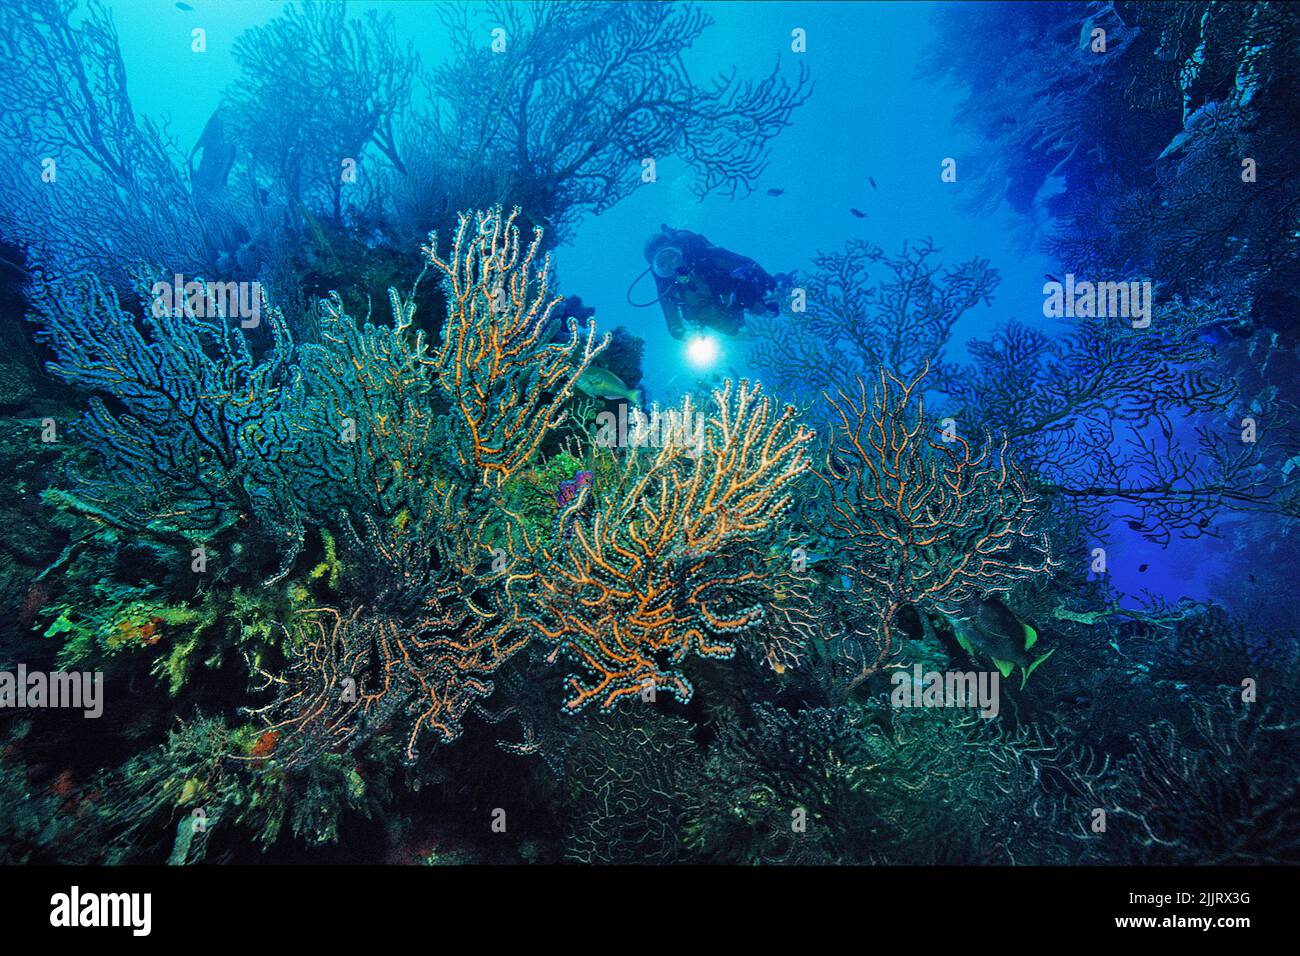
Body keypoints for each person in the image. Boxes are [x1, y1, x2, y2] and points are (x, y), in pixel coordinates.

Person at [639, 225, 788, 340]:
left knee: (772, 311)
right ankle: (738, 329)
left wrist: (770, 285)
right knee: (730, 331)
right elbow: (670, 315)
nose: (672, 266)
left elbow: (746, 264)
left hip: (737, 295)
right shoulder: (665, 285)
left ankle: (784, 283)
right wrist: (680, 333)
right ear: (657, 269)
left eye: (671, 257)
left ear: (678, 250)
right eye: (663, 265)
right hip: (714, 313)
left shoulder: (705, 257)